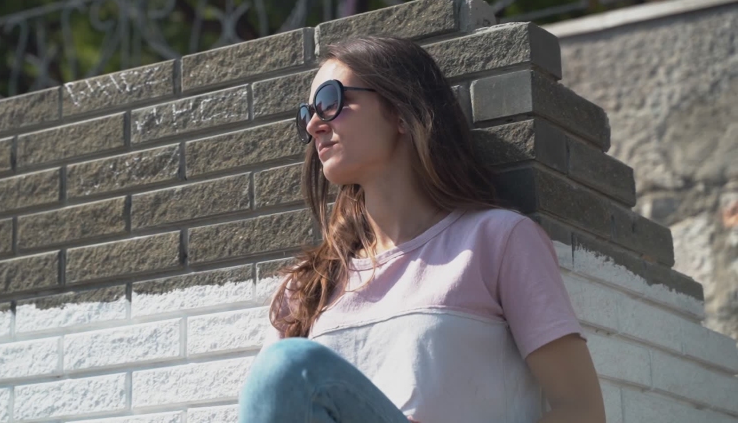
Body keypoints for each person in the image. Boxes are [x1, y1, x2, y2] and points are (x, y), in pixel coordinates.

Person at [238, 36, 606, 423]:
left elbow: (582, 410)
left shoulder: (497, 240)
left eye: (330, 102)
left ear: (401, 112)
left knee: (288, 365)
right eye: (307, 114)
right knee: (279, 371)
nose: (314, 125)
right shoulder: (308, 284)